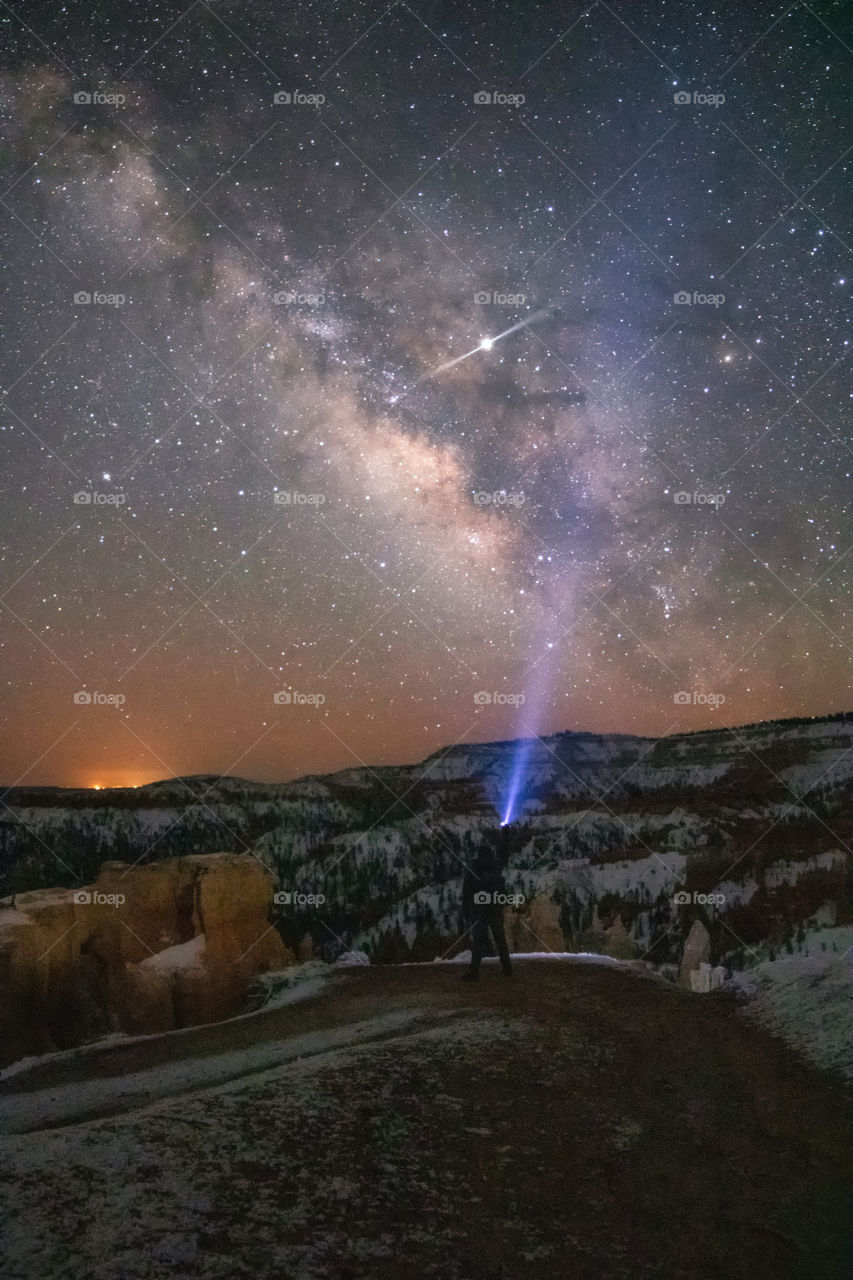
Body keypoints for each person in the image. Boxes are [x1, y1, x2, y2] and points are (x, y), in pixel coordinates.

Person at [460, 844, 512, 979]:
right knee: (500, 939)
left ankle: (474, 971)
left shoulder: (474, 867)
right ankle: (507, 968)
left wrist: (466, 909)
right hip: (495, 907)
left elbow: (467, 890)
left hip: (479, 909)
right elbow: (501, 887)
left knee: (478, 941)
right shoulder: (496, 866)